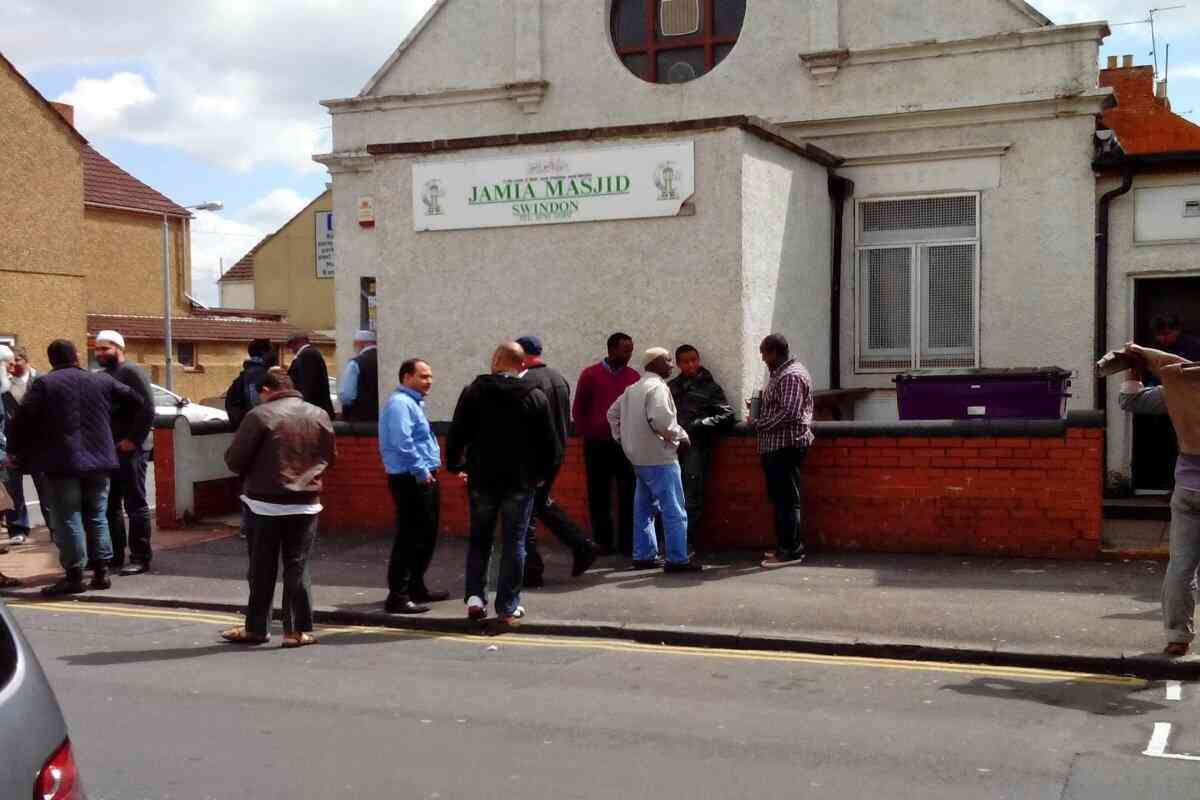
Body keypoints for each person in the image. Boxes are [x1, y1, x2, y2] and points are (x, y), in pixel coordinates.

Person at [7, 340, 142, 595]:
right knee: (97, 515)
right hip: (100, 460)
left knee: (68, 517)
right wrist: (110, 422)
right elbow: (135, 400)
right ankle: (101, 572)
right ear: (77, 356)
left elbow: (22, 420)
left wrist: (17, 450)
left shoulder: (45, 384)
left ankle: (74, 575)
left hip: (62, 461)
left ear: (51, 359)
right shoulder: (101, 381)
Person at [220, 371, 336, 648]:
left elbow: (235, 460)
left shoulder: (259, 415)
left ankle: (257, 629)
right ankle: (296, 632)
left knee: (261, 568)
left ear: (265, 390)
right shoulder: (319, 414)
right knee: (297, 567)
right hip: (306, 504)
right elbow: (330, 457)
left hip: (264, 504)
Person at [447, 342, 559, 624]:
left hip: (482, 480)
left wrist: (456, 465)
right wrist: (542, 474)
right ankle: (508, 605)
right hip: (520, 482)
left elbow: (457, 433)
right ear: (522, 365)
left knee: (480, 539)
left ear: (495, 361)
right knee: (514, 543)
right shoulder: (534, 396)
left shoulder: (473, 392)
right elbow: (551, 444)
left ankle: (475, 597)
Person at [1117, 342, 1200, 656]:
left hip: (1188, 490)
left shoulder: (1181, 390)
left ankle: (1178, 637)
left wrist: (1134, 370)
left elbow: (1130, 401)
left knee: (1181, 566)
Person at [607, 348, 700, 573]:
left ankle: (644, 555)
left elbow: (612, 414)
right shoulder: (657, 387)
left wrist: (623, 439)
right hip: (660, 458)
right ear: (654, 363)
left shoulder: (632, 389)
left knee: (644, 509)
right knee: (674, 509)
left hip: (638, 459)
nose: (671, 364)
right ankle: (678, 558)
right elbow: (662, 422)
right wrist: (682, 437)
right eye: (668, 360)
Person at [516, 335, 597, 587]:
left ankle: (531, 570)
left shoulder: (525, 382)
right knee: (540, 504)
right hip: (555, 454)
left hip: (531, 458)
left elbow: (525, 427)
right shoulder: (558, 378)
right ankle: (581, 545)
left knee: (525, 512)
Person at [379, 358, 447, 614]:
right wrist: (420, 470)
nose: (429, 381)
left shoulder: (412, 403)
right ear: (406, 377)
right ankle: (397, 596)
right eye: (423, 376)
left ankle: (416, 587)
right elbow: (402, 441)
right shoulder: (400, 404)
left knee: (425, 536)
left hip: (422, 476)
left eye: (430, 376)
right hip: (411, 478)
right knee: (409, 537)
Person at [746, 333, 814, 568]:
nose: (763, 359)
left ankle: (790, 551)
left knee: (786, 501)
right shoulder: (781, 374)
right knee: (782, 499)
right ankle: (785, 546)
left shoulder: (791, 376)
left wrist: (759, 423)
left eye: (764, 354)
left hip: (785, 446)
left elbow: (790, 412)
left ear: (774, 352)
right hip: (777, 445)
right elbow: (782, 407)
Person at [94, 330, 156, 575]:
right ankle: (115, 556)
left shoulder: (131, 372)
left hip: (130, 450)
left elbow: (148, 407)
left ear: (119, 349)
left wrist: (133, 439)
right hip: (109, 450)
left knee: (135, 504)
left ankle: (140, 557)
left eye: (105, 348)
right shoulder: (104, 375)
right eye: (97, 349)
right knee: (111, 505)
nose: (99, 353)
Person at [573, 332, 639, 556]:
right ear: (611, 350)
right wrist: (588, 432)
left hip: (624, 445)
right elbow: (579, 409)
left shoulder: (633, 376)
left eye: (631, 349)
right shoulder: (590, 375)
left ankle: (627, 542)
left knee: (628, 493)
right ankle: (603, 541)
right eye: (625, 349)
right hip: (597, 444)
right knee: (598, 494)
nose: (629, 354)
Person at [668, 344, 735, 551]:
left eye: (694, 360)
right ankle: (671, 543)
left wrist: (699, 425)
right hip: (670, 446)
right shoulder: (671, 387)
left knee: (692, 495)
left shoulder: (710, 387)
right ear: (678, 364)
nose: (691, 365)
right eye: (686, 361)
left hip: (695, 447)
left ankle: (687, 543)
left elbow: (727, 415)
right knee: (670, 494)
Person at [3, 345, 49, 545]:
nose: (10, 367)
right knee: (13, 490)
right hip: (12, 446)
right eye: (8, 363)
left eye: (15, 362)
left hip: (39, 446)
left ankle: (55, 527)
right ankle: (18, 529)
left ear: (25, 360)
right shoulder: (3, 383)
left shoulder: (42, 380)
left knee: (46, 490)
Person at [225, 338, 275, 429]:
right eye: (272, 351)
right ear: (264, 352)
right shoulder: (256, 374)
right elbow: (256, 405)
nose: (274, 355)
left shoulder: (248, 373)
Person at [285, 331, 334, 417]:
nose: (291, 349)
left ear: (298, 341)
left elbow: (306, 385)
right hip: (314, 410)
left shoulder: (307, 355)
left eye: (291, 344)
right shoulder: (309, 354)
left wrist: (302, 409)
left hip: (312, 412)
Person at [339, 330, 380, 422]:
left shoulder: (356, 363)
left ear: (360, 344)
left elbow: (347, 396)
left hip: (360, 420)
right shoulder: (384, 360)